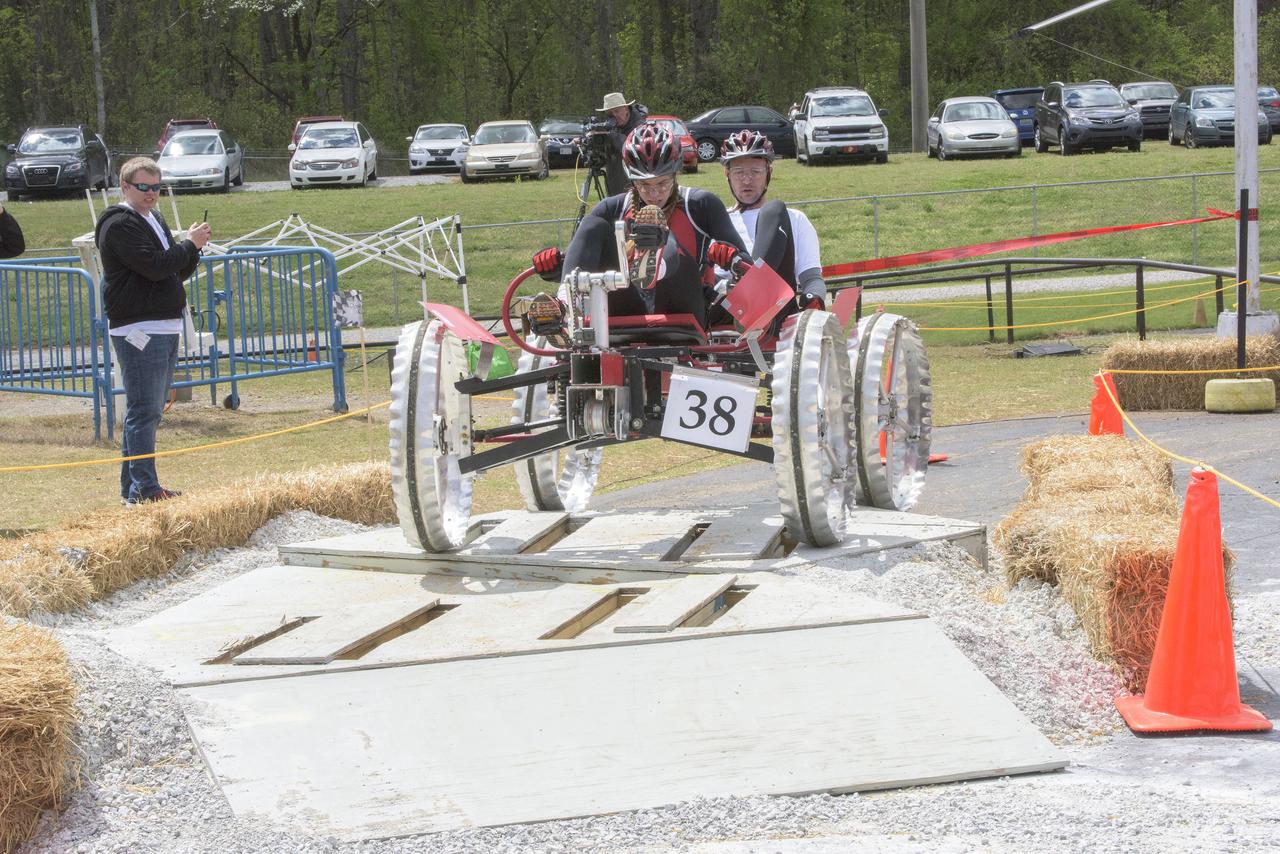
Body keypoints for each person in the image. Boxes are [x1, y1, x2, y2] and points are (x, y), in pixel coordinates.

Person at [532, 122, 748, 329]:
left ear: (676, 173)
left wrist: (729, 256)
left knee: (662, 233)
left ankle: (657, 264)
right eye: (644, 185)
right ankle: (564, 305)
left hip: (684, 307)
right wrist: (553, 266)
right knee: (592, 224)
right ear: (631, 179)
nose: (654, 194)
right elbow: (582, 258)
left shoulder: (701, 204)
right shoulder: (612, 208)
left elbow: (747, 266)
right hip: (628, 307)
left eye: (663, 183)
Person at [94, 157, 210, 504]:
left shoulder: (153, 218)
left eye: (156, 188)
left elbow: (172, 271)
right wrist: (188, 245)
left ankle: (134, 490)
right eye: (144, 187)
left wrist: (193, 251)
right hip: (138, 327)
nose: (151, 194)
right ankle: (145, 489)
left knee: (149, 408)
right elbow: (155, 267)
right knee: (144, 410)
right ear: (125, 186)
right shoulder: (118, 224)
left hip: (164, 321)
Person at [719, 129, 826, 316]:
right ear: (727, 174)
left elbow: (812, 278)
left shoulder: (795, 219)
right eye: (739, 172)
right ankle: (748, 294)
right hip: (730, 311)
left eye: (755, 171)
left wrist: (814, 298)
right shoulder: (718, 220)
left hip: (776, 312)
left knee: (774, 210)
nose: (747, 180)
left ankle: (752, 287)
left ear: (769, 172)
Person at [597, 91, 650, 195]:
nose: (614, 116)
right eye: (610, 113)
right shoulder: (611, 126)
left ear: (626, 108)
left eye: (617, 111)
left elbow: (632, 147)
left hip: (636, 187)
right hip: (614, 185)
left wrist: (610, 136)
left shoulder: (641, 126)